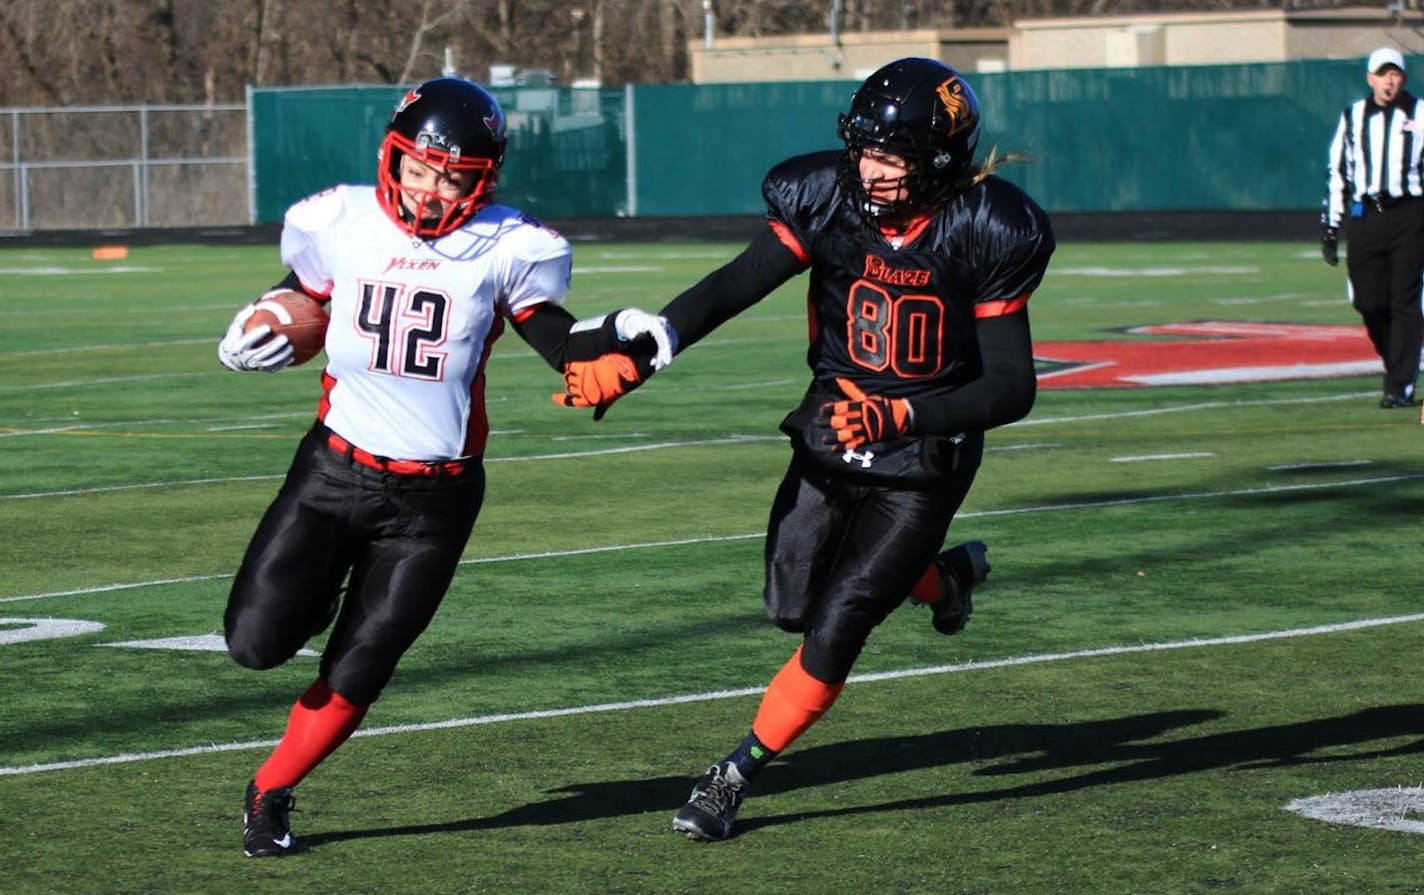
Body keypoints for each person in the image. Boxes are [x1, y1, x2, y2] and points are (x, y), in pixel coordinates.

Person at [555, 57, 1054, 841]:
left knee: (841, 618)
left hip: (925, 452)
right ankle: (945, 579)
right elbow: (737, 282)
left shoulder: (987, 228)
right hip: (828, 427)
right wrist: (646, 353)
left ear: (940, 164)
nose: (871, 168)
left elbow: (1011, 386)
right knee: (791, 606)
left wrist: (901, 418)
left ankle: (734, 772)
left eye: (893, 157)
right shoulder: (825, 198)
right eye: (865, 148)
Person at [216, 76, 669, 857]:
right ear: (394, 156)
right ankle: (317, 591)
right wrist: (264, 315)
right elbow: (305, 292)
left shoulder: (509, 245)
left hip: (434, 500)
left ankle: (270, 789)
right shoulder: (339, 219)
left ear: (482, 179)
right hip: (332, 470)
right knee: (254, 643)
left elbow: (560, 341)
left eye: (454, 177)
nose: (432, 190)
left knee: (362, 663)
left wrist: (616, 338)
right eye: (422, 170)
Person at [1322, 46, 1424, 408]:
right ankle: (1398, 359)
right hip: (1367, 216)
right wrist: (1330, 229)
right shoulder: (1353, 116)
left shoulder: (1420, 113)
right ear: (1370, 79)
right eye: (1383, 74)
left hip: (1409, 214)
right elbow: (1338, 173)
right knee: (1368, 300)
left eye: (1395, 73)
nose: (1389, 80)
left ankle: (1400, 384)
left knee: (1404, 300)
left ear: (1404, 79)